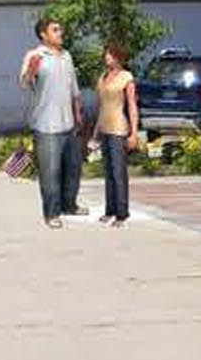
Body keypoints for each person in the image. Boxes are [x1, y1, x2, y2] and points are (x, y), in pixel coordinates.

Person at [19, 17, 84, 227]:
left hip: (68, 124)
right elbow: (24, 83)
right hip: (46, 126)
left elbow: (73, 88)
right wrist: (31, 70)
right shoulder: (35, 55)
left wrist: (78, 114)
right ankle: (52, 214)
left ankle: (69, 205)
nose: (60, 33)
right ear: (43, 35)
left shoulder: (66, 56)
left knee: (73, 169)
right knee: (50, 173)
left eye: (60, 29)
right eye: (55, 30)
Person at [94, 42, 140, 227]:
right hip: (104, 128)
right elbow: (101, 107)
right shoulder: (102, 77)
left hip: (119, 129)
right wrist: (94, 133)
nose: (107, 57)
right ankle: (110, 210)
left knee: (118, 172)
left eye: (110, 55)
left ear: (119, 57)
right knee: (108, 172)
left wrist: (134, 133)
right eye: (106, 54)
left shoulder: (126, 77)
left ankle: (122, 213)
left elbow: (132, 106)